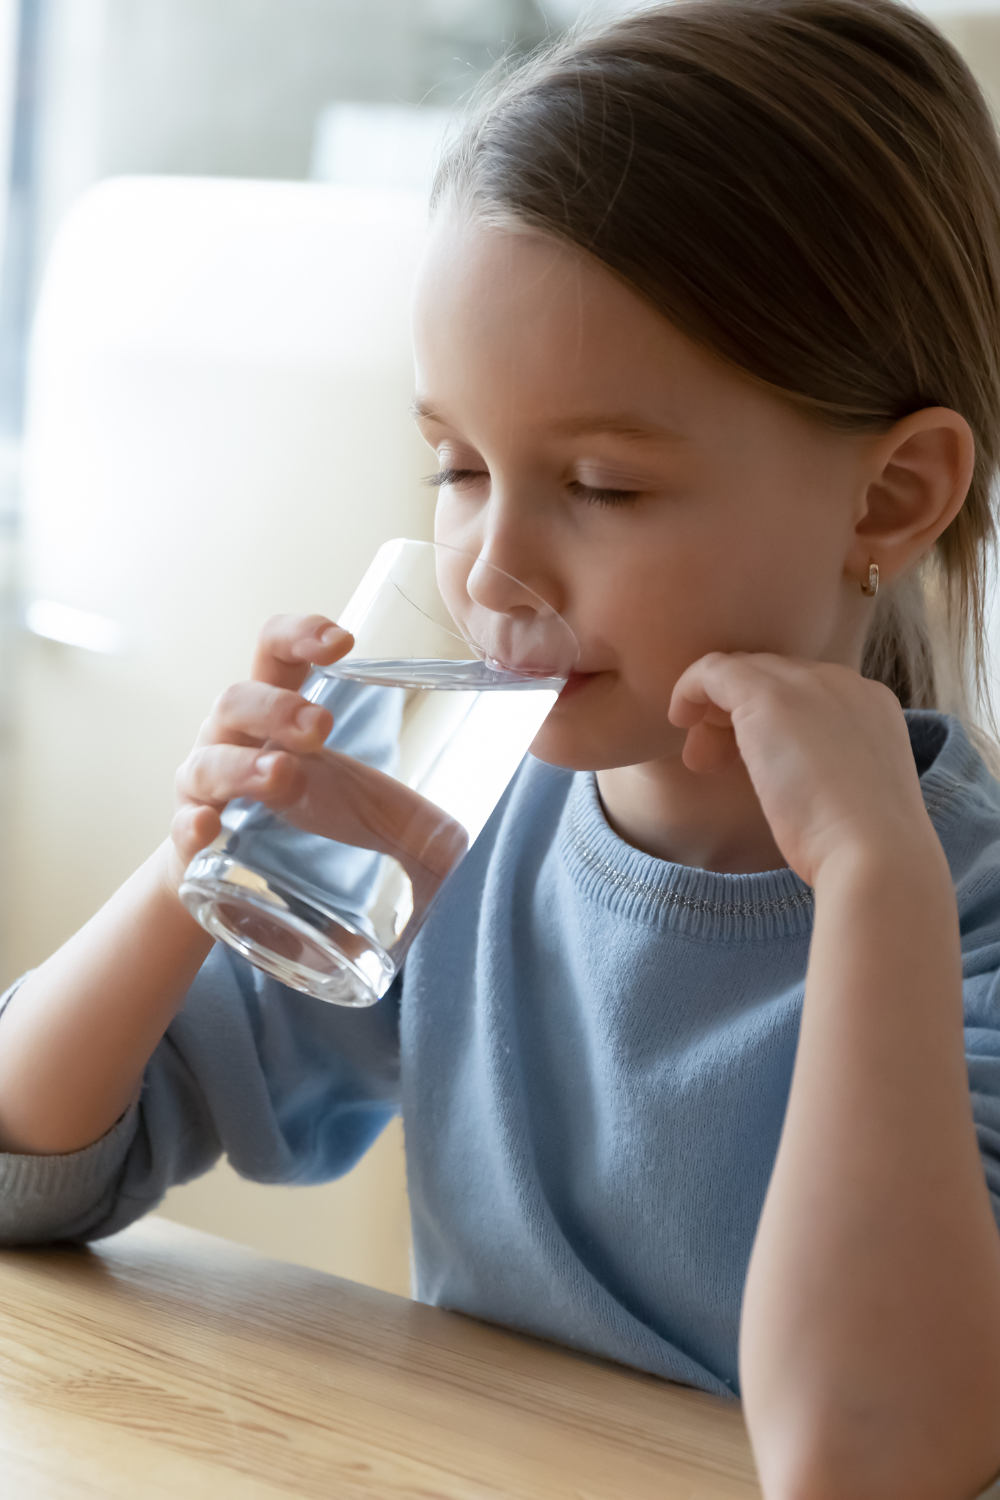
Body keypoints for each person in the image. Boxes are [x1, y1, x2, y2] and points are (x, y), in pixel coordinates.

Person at [3, 0, 1000, 1493]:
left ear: (889, 499)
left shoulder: (956, 921)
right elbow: (36, 1163)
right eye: (459, 466)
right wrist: (186, 873)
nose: (490, 568)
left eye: (601, 483)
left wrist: (873, 891)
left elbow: (870, 1456)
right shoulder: (455, 833)